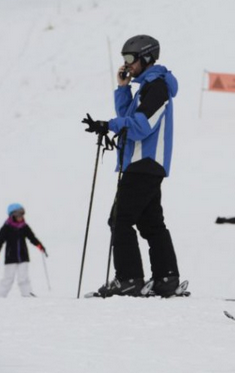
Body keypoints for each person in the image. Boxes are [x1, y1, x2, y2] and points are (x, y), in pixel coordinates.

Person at [82, 34, 181, 297]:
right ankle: (166, 279)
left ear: (146, 57)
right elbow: (128, 117)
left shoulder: (156, 88)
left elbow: (138, 127)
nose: (127, 64)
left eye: (130, 59)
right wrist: (123, 88)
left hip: (144, 163)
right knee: (150, 224)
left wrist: (109, 125)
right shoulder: (145, 87)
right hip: (144, 164)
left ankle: (128, 279)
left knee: (120, 219)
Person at [0, 203, 47, 298]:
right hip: (10, 257)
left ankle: (27, 294)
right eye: (18, 215)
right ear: (12, 216)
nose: (21, 217)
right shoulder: (6, 228)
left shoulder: (24, 227)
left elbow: (32, 238)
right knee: (8, 278)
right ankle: (0, 296)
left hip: (23, 256)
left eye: (22, 214)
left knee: (23, 278)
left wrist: (40, 246)